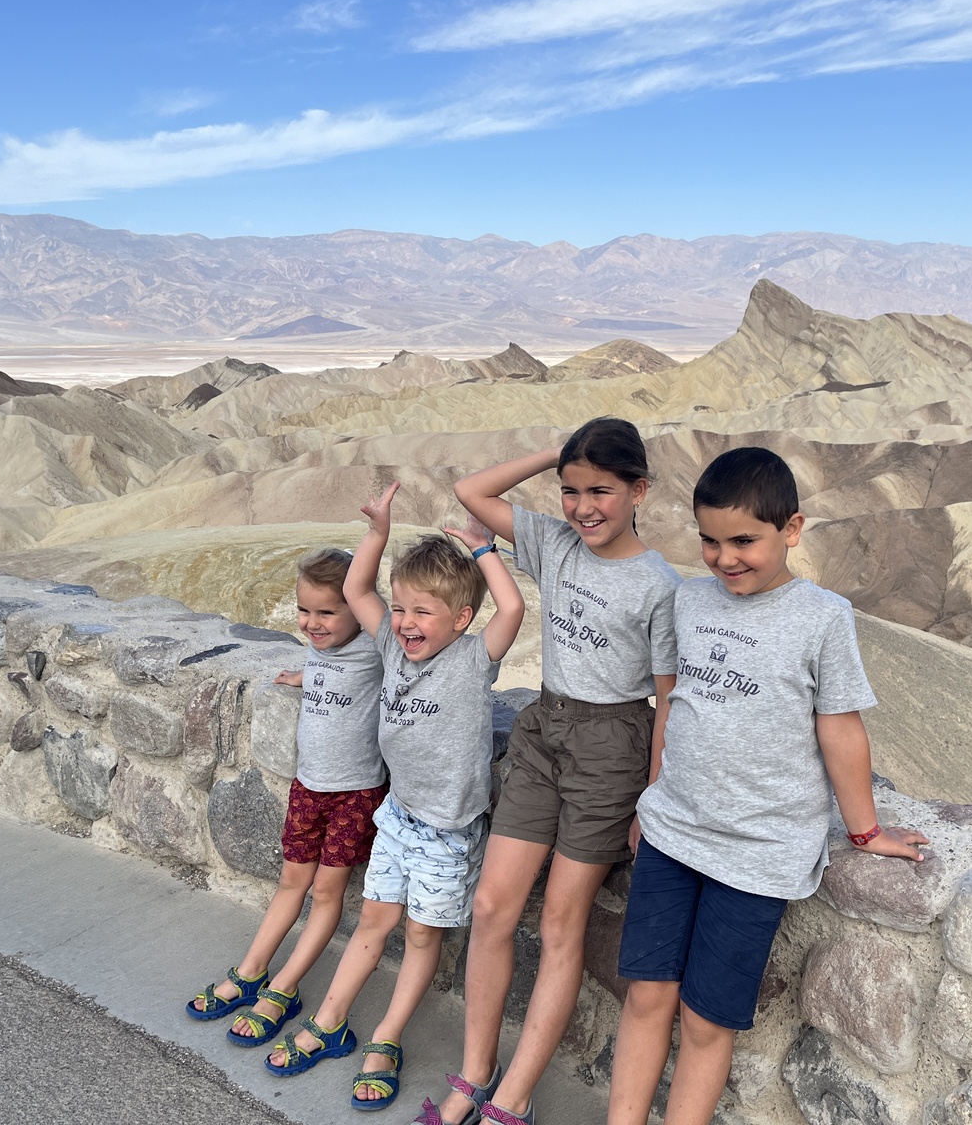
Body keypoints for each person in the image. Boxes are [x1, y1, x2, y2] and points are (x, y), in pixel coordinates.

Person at [607, 446, 930, 1125]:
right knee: (645, 996)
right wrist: (650, 800)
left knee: (704, 1021)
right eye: (710, 541)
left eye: (745, 541)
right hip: (672, 835)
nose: (724, 559)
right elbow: (673, 706)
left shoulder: (822, 617)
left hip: (758, 855)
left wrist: (866, 831)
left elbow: (840, 731)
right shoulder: (687, 603)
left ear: (792, 529)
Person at [431, 418, 683, 1125]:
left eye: (601, 489)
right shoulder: (554, 542)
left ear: (639, 490)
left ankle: (514, 1098)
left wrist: (651, 798)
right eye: (570, 491)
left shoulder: (658, 585)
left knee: (562, 923)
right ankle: (475, 1075)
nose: (583, 507)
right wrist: (557, 452)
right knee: (492, 905)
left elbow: (667, 698)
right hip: (544, 731)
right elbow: (470, 490)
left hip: (613, 747)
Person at [266, 481, 525, 1114]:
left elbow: (512, 610)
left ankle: (385, 1041)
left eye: (423, 612)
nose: (406, 623)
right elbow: (357, 591)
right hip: (398, 818)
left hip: (446, 832)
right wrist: (378, 532)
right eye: (402, 609)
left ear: (461, 620)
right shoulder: (389, 645)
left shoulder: (471, 660)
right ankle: (330, 1021)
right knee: (374, 923)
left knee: (416, 937)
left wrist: (484, 549)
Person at [186, 547, 387, 1050]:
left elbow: (376, 622)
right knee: (289, 883)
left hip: (354, 796)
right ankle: (252, 970)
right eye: (304, 611)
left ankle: (284, 988)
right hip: (307, 789)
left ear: (356, 610)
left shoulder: (373, 649)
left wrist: (377, 534)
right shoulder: (320, 651)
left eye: (326, 612)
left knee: (324, 894)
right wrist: (305, 676)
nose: (312, 624)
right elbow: (328, 673)